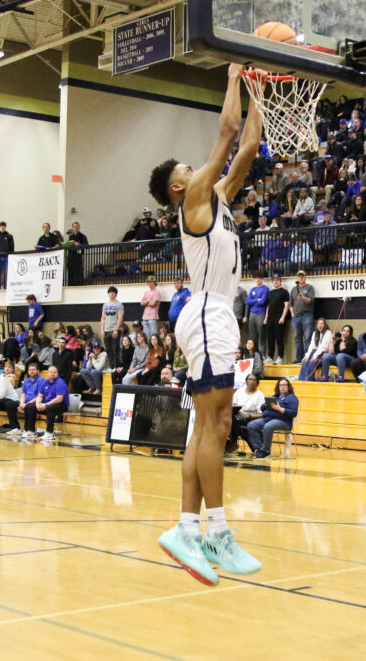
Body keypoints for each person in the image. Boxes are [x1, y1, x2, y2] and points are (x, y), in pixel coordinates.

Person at [149, 62, 263, 586]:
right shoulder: (194, 200)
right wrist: (234, 76)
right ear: (179, 184)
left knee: (211, 424)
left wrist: (261, 90)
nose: (202, 168)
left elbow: (246, 149)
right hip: (207, 311)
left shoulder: (216, 199)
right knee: (216, 424)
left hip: (216, 313)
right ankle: (215, 529)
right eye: (191, 168)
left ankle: (187, 529)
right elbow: (226, 132)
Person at [247, 377, 298, 459]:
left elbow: (293, 413)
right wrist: (265, 404)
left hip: (284, 421)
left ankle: (266, 451)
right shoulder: (275, 397)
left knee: (268, 426)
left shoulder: (292, 398)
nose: (282, 387)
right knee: (252, 425)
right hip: (268, 418)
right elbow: (262, 408)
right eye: (281, 385)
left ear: (289, 387)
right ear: (278, 387)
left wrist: (279, 408)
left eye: (285, 385)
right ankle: (260, 449)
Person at [227, 373, 265, 454]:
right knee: (229, 419)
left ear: (257, 383)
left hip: (251, 418)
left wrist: (248, 416)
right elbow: (233, 404)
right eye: (250, 379)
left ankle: (232, 443)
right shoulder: (239, 391)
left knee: (234, 421)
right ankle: (227, 443)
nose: (252, 382)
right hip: (237, 414)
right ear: (246, 381)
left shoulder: (260, 395)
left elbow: (262, 414)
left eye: (254, 380)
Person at [289, 270, 316, 363]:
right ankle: (299, 358)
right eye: (299, 276)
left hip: (307, 315)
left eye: (303, 276)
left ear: (305, 277)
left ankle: (307, 356)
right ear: (297, 278)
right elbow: (291, 304)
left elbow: (311, 301)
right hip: (296, 316)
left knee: (307, 337)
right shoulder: (293, 289)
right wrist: (292, 314)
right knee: (297, 338)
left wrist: (302, 297)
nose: (301, 278)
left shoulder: (310, 288)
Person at [262, 274, 289, 364]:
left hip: (279, 318)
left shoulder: (284, 292)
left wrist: (283, 317)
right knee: (270, 338)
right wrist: (266, 318)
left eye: (277, 280)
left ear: (280, 281)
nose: (276, 281)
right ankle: (270, 356)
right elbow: (268, 306)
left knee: (279, 338)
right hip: (270, 319)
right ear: (272, 282)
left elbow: (286, 305)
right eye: (274, 280)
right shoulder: (270, 293)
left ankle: (280, 357)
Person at [0, 221, 14, 288]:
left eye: (3, 226)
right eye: (1, 226)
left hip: (6, 257)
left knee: (4, 272)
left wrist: (11, 256)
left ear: (5, 227)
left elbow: (12, 247)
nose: (2, 227)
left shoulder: (9, 236)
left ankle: (3, 285)